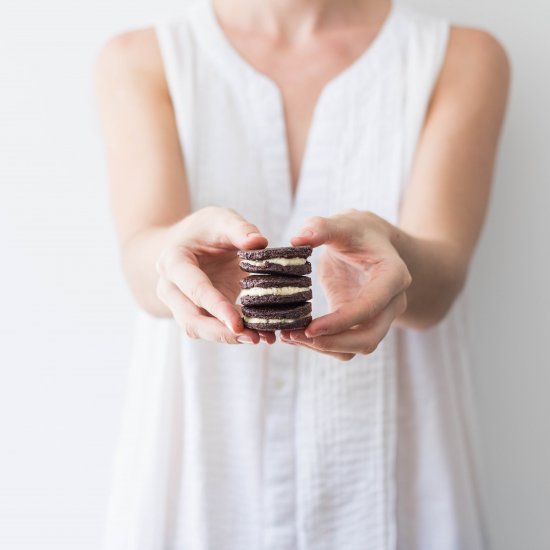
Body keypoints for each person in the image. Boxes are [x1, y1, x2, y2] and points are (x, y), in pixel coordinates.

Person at [95, 0, 509, 547]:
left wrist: (397, 255)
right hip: (204, 482)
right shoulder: (140, 58)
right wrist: (173, 257)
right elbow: (139, 261)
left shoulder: (463, 56)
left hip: (396, 486)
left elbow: (442, 283)